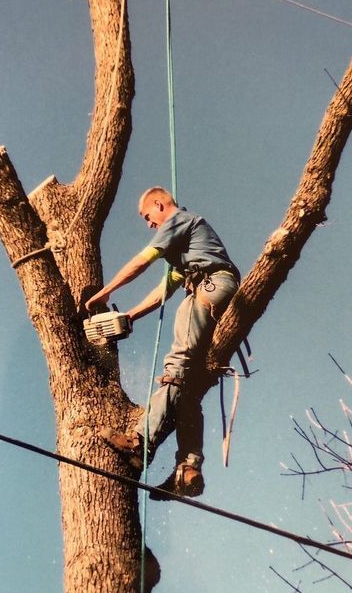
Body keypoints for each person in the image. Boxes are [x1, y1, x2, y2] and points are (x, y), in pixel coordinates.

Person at [85, 186, 240, 498]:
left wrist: (105, 292)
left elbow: (142, 261)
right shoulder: (186, 251)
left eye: (147, 216)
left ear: (159, 204)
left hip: (210, 287)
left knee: (176, 365)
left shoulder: (180, 221)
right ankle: (189, 467)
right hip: (213, 287)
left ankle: (139, 442)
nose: (148, 224)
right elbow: (163, 291)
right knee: (188, 390)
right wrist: (129, 316)